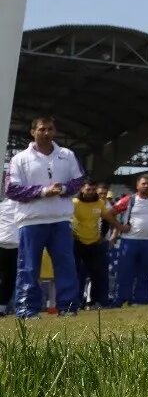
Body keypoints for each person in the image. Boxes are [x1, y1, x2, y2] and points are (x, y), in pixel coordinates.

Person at [5, 117, 85, 317]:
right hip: (32, 221)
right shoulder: (19, 159)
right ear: (33, 132)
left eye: (50, 129)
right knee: (29, 268)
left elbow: (79, 180)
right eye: (41, 129)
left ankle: (67, 308)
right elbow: (11, 190)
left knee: (66, 265)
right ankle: (27, 310)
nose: (46, 133)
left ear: (55, 131)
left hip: (60, 220)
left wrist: (64, 188)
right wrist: (42, 192)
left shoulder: (67, 155)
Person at [111, 174, 148, 306]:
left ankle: (142, 299)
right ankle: (122, 299)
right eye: (143, 183)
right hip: (129, 241)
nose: (146, 186)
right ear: (137, 185)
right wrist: (120, 226)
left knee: (146, 272)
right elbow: (110, 214)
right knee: (125, 272)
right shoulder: (129, 200)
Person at [71, 177, 120, 308]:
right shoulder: (74, 202)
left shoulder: (99, 203)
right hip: (77, 243)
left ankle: (94, 302)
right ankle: (75, 303)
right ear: (82, 189)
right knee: (77, 276)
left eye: (93, 189)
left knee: (97, 275)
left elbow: (109, 218)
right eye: (88, 189)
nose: (91, 192)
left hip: (94, 243)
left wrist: (120, 227)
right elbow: (66, 219)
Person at [0, 169, 17, 316]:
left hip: (16, 247)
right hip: (2, 245)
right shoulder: (2, 206)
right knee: (8, 279)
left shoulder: (25, 205)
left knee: (9, 279)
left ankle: (2, 307)